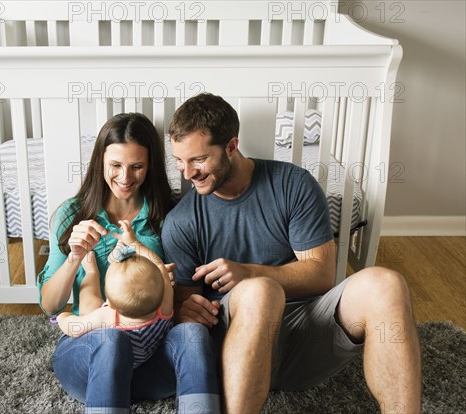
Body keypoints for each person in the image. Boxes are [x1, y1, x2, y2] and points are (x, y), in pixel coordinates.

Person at [162, 93, 422, 413]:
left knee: (386, 284)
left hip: (303, 336)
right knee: (260, 292)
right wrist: (187, 310)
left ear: (231, 146)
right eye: (179, 161)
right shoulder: (182, 221)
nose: (187, 173)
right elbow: (186, 307)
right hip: (233, 348)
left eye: (198, 160)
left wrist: (250, 272)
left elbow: (322, 274)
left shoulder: (291, 184)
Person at [37, 112, 220, 413]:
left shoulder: (169, 215)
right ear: (101, 164)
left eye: (136, 167)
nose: (125, 178)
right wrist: (74, 258)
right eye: (116, 166)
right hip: (92, 359)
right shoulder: (71, 215)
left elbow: (180, 292)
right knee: (112, 339)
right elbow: (49, 306)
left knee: (193, 335)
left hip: (153, 359)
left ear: (150, 167)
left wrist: (172, 285)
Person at [55, 219, 174, 369]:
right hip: (143, 357)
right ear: (162, 288)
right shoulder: (165, 307)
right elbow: (158, 265)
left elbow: (74, 328)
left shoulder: (108, 316)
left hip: (113, 361)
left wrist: (62, 317)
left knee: (89, 306)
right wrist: (133, 242)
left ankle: (92, 273)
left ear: (109, 304)